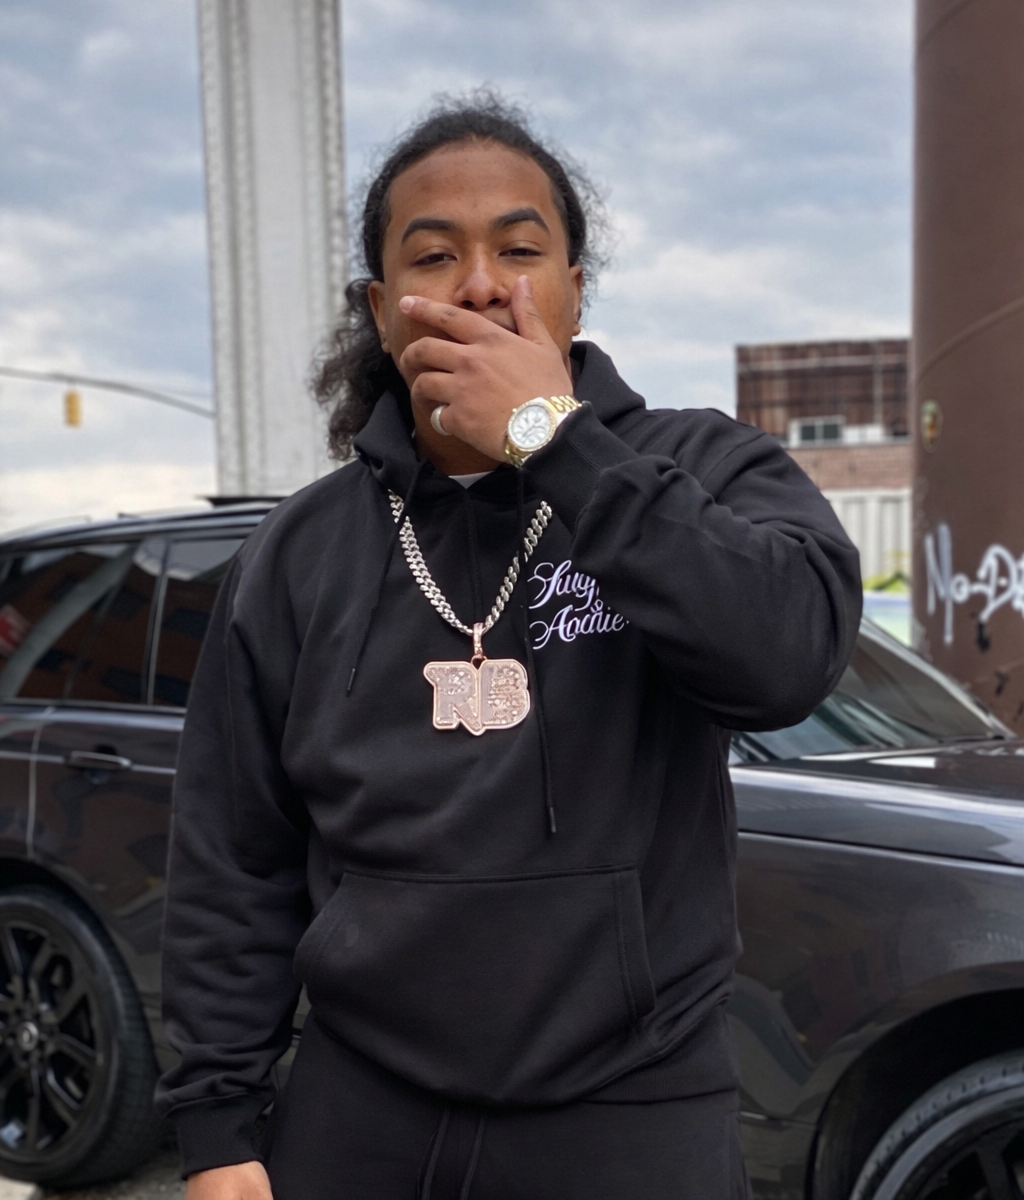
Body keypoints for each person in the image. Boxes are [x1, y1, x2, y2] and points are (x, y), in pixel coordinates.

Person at [156, 94, 861, 1200]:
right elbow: (233, 854)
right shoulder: (301, 548)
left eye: (520, 249)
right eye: (434, 257)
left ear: (575, 291)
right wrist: (216, 1128)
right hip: (359, 1106)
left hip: (631, 1106)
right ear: (383, 310)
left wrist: (549, 439)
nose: (482, 282)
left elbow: (785, 662)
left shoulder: (701, 471)